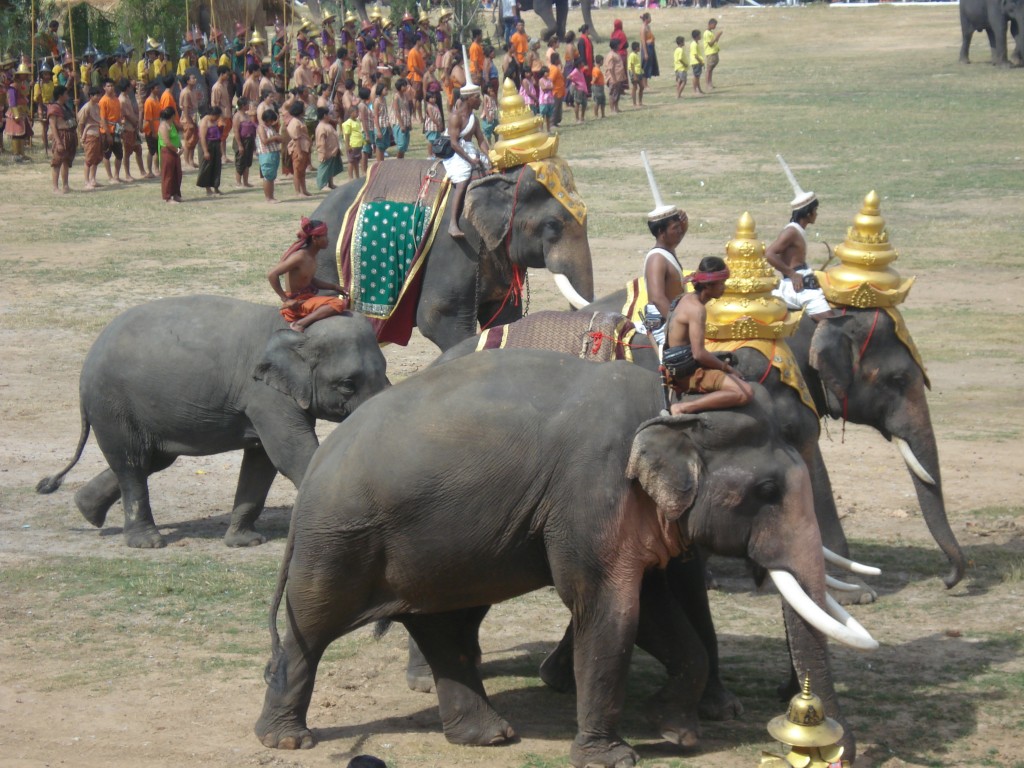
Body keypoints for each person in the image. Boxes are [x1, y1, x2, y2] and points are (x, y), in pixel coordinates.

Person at [663, 256, 753, 415]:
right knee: (744, 393)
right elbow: (698, 354)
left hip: (676, 363)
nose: (723, 288)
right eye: (721, 284)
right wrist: (728, 369)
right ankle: (683, 408)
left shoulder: (684, 298)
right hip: (687, 373)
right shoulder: (697, 310)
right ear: (709, 285)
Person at [267, 217, 348, 332]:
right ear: (315, 238)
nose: (328, 239)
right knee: (337, 303)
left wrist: (335, 287)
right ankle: (299, 324)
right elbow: (272, 274)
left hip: (307, 298)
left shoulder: (312, 256)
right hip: (297, 304)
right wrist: (286, 300)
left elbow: (310, 280)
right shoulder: (300, 257)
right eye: (325, 235)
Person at [765, 194, 835, 320]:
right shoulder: (791, 232)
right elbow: (769, 253)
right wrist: (792, 274)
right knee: (830, 322)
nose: (816, 214)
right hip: (800, 289)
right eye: (815, 210)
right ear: (808, 213)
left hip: (803, 279)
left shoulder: (797, 230)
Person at [442, 70, 489, 239]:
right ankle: (453, 223)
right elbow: (454, 143)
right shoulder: (455, 117)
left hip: (469, 150)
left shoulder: (474, 119)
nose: (480, 101)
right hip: (457, 154)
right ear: (469, 98)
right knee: (462, 179)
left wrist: (490, 155)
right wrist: (470, 160)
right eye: (477, 97)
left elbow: (481, 140)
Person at [48, 85, 76, 193]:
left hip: (69, 135)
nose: (67, 96)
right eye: (66, 94)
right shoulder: (54, 108)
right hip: (61, 135)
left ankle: (65, 185)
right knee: (57, 161)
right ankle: (55, 187)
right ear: (60, 95)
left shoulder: (65, 107)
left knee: (66, 161)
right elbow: (53, 126)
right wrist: (58, 142)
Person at [98, 78, 126, 183]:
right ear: (104, 88)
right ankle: (110, 177)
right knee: (107, 154)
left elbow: (118, 117)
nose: (111, 88)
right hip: (106, 130)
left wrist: (121, 130)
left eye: (112, 86)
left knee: (119, 153)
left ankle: (116, 176)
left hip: (116, 129)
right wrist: (108, 134)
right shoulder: (103, 101)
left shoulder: (116, 99)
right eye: (108, 86)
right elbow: (103, 119)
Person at [76, 86, 103, 190]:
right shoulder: (86, 107)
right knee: (89, 159)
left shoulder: (97, 106)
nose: (98, 97)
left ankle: (93, 179)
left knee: (96, 158)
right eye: (96, 95)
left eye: (99, 95)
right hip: (89, 134)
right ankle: (86, 181)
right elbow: (81, 123)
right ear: (91, 96)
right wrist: (81, 136)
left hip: (97, 133)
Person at [117, 77, 142, 182]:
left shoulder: (126, 97)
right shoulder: (122, 100)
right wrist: (135, 122)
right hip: (127, 127)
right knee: (127, 152)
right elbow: (126, 115)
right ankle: (127, 174)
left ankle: (142, 170)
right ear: (127, 88)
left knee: (138, 149)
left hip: (132, 127)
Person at [157, 105, 183, 203]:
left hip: (175, 152)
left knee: (177, 173)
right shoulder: (163, 126)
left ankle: (175, 194)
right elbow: (167, 142)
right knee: (168, 174)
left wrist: (180, 146)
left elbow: (176, 137)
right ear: (172, 115)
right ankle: (167, 197)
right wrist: (176, 150)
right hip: (167, 152)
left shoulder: (172, 124)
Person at [256, 107, 283, 202]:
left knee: (272, 177)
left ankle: (271, 196)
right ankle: (268, 197)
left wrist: (277, 137)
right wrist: (275, 137)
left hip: (274, 152)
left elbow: (280, 139)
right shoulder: (261, 127)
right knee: (267, 176)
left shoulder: (271, 128)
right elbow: (264, 141)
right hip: (266, 154)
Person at [286, 100, 313, 196]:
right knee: (297, 170)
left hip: (304, 147)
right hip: (299, 148)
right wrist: (299, 152)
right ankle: (298, 191)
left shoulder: (300, 120)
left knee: (302, 170)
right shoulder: (295, 122)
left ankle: (304, 190)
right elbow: (296, 138)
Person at [196, 106, 224, 195]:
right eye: (217, 116)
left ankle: (216, 187)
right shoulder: (204, 122)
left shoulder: (215, 121)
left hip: (215, 144)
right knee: (207, 167)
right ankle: (208, 189)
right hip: (207, 145)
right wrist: (205, 151)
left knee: (216, 166)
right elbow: (202, 138)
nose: (217, 118)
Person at [315, 106, 343, 189]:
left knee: (330, 169)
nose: (330, 116)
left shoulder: (327, 125)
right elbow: (321, 142)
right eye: (329, 114)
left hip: (333, 151)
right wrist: (323, 153)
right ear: (324, 115)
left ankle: (330, 183)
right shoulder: (321, 127)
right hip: (326, 152)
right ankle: (322, 185)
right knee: (324, 169)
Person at [233, 98, 258, 187]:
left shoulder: (247, 115)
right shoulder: (237, 116)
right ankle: (238, 182)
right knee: (240, 161)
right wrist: (240, 145)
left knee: (247, 161)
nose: (249, 106)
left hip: (249, 140)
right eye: (247, 104)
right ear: (243, 106)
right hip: (241, 141)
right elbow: (236, 131)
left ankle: (245, 182)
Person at [178, 71, 200, 167]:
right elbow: (185, 108)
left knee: (194, 140)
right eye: (192, 78)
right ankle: (187, 161)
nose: (195, 79)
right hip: (188, 118)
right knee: (188, 141)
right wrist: (189, 122)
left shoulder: (193, 90)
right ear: (187, 81)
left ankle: (191, 160)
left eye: (195, 78)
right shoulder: (186, 92)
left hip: (194, 117)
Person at [390, 76, 413, 159]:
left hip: (406, 121)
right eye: (404, 85)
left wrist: (409, 122)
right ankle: (398, 160)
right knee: (401, 144)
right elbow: (397, 111)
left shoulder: (405, 96)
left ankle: (401, 160)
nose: (406, 87)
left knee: (405, 145)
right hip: (398, 123)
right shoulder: (396, 97)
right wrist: (401, 125)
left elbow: (407, 109)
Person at [141, 82, 161, 177]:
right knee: (151, 150)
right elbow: (149, 119)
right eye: (157, 88)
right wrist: (153, 131)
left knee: (158, 150)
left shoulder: (156, 99)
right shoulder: (149, 101)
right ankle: (149, 170)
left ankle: (156, 169)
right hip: (151, 130)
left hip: (158, 127)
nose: (158, 89)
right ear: (152, 89)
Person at [341, 105, 365, 177]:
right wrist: (348, 146)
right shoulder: (348, 123)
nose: (357, 114)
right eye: (356, 112)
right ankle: (350, 177)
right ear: (351, 113)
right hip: (352, 145)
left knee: (356, 161)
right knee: (351, 161)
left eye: (358, 112)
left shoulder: (357, 121)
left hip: (358, 145)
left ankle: (357, 176)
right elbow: (347, 135)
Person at [605, 40, 626, 114]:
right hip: (613, 78)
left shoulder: (616, 53)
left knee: (617, 94)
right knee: (612, 94)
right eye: (618, 45)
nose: (619, 46)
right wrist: (614, 79)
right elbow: (610, 68)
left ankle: (616, 107)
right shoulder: (611, 55)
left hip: (619, 77)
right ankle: (612, 109)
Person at [639, 12, 659, 85]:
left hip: (651, 47)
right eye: (649, 17)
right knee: (645, 66)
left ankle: (646, 83)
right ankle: (644, 84)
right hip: (646, 48)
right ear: (646, 19)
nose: (651, 19)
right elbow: (643, 41)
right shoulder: (643, 28)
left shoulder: (648, 26)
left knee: (649, 65)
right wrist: (645, 53)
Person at [703, 18, 722, 90]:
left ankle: (710, 83)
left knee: (711, 69)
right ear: (710, 24)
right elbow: (710, 44)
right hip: (710, 52)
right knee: (708, 69)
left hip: (714, 51)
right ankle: (707, 84)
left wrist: (718, 36)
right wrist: (717, 36)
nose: (715, 27)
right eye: (714, 25)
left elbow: (715, 41)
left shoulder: (710, 32)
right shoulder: (707, 33)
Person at [689, 31, 706, 96]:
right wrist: (701, 62)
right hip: (696, 62)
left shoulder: (696, 43)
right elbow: (695, 55)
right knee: (696, 77)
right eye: (699, 35)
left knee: (698, 77)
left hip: (697, 62)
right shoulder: (694, 44)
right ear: (696, 36)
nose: (700, 36)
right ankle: (695, 90)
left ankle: (699, 89)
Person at [538, 66, 554, 132]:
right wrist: (549, 87)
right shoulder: (541, 80)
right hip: (543, 100)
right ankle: (541, 129)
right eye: (546, 72)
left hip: (550, 100)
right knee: (542, 116)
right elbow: (543, 88)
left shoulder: (550, 79)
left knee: (548, 116)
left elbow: (552, 87)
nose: (547, 73)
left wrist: (548, 88)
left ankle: (548, 129)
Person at [626, 41, 643, 107]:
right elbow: (632, 65)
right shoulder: (632, 55)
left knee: (642, 86)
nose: (640, 48)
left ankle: (640, 102)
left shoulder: (636, 54)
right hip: (634, 72)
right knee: (635, 87)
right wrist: (634, 75)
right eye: (639, 47)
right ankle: (634, 103)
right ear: (636, 48)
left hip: (639, 72)